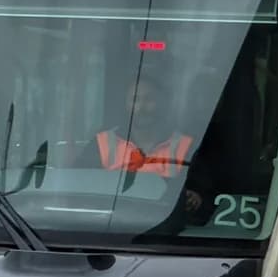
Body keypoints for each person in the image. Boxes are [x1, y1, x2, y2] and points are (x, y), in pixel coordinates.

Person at [78, 75, 213, 222]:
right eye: (135, 100)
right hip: (105, 230)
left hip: (163, 233)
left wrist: (195, 198)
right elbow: (79, 190)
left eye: (149, 99)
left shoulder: (187, 147)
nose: (141, 107)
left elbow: (205, 197)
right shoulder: (101, 142)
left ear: (163, 103)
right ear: (126, 104)